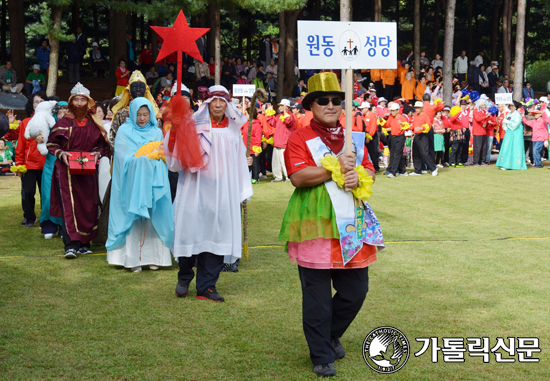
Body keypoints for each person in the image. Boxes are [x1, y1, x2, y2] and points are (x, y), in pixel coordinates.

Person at [279, 72, 383, 377]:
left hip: (351, 224)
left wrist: (358, 176)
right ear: (311, 105)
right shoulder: (300, 138)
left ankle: (330, 335)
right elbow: (298, 177)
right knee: (317, 297)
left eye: (336, 100)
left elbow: (370, 170)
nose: (331, 105)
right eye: (323, 100)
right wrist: (336, 168)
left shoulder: (354, 136)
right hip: (314, 222)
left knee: (355, 292)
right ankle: (321, 354)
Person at [166, 85, 253, 302]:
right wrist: (176, 132)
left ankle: (207, 286)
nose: (217, 105)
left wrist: (241, 191)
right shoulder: (193, 127)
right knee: (189, 232)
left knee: (216, 236)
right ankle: (184, 278)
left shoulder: (233, 131)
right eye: (213, 101)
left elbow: (239, 163)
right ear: (206, 104)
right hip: (194, 189)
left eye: (222, 101)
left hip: (222, 192)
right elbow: (176, 162)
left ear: (227, 105)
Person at [106, 98, 173, 272]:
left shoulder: (156, 132)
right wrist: (141, 161)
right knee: (133, 218)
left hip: (153, 182)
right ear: (132, 114)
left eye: (145, 114)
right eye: (138, 115)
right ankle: (132, 258)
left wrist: (153, 160)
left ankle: (156, 258)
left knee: (153, 218)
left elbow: (162, 154)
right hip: (131, 183)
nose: (142, 118)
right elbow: (121, 158)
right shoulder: (124, 131)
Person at [47, 83, 111, 258]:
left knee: (88, 206)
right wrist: (62, 154)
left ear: (88, 102)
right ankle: (71, 245)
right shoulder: (63, 123)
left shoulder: (94, 123)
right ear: (71, 101)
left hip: (89, 172)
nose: (80, 103)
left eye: (83, 99)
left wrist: (98, 153)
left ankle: (85, 243)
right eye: (77, 99)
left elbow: (103, 146)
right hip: (67, 172)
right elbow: (52, 144)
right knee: (70, 207)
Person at [14, 91, 48, 228]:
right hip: (29, 165)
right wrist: (19, 164)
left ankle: (46, 219)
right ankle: (29, 217)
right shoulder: (25, 123)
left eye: (41, 101)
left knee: (46, 194)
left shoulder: (51, 121)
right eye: (36, 101)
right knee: (27, 192)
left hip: (46, 164)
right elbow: (20, 145)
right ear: (32, 105)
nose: (38, 104)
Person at [39, 101, 68, 239]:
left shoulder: (71, 126)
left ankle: (64, 226)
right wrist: (39, 139)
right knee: (48, 194)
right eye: (59, 112)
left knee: (64, 195)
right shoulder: (49, 126)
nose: (62, 115)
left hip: (66, 163)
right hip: (51, 164)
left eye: (65, 112)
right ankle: (49, 225)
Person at [496, 101, 527, 170]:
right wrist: (504, 127)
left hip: (516, 134)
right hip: (509, 133)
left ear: (515, 107)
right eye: (510, 106)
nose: (511, 107)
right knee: (507, 147)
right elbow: (505, 123)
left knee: (515, 148)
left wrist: (508, 122)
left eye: (512, 106)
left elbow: (516, 124)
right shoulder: (508, 114)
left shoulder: (518, 115)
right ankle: (505, 164)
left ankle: (515, 164)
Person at [410, 101, 438, 176]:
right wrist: (412, 130)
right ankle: (417, 170)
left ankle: (433, 168)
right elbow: (414, 125)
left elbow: (428, 125)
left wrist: (421, 128)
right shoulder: (416, 115)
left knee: (424, 153)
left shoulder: (425, 115)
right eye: (416, 108)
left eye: (418, 108)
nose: (417, 109)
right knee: (415, 153)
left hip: (423, 135)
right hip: (416, 135)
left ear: (422, 108)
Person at [386, 102, 409, 177]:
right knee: (394, 154)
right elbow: (386, 125)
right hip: (393, 137)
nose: (392, 112)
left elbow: (407, 127)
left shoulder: (402, 118)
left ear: (397, 110)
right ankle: (403, 171)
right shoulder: (391, 118)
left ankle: (393, 172)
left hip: (400, 137)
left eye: (393, 110)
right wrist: (381, 120)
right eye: (391, 110)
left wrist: (402, 124)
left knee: (396, 154)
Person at [472, 100, 490, 166]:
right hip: (477, 132)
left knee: (483, 147)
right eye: (481, 105)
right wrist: (486, 117)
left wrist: (486, 122)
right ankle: (476, 161)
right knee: (477, 147)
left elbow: (485, 120)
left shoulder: (484, 112)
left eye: (483, 105)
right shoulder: (475, 111)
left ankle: (482, 160)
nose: (483, 106)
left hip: (483, 132)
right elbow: (477, 119)